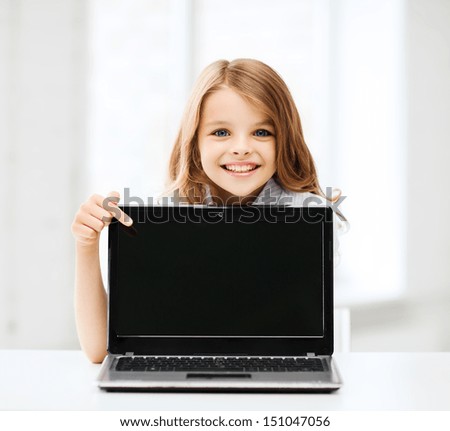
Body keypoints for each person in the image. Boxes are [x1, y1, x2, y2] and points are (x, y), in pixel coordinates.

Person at [71, 58, 346, 363]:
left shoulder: (308, 217)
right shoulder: (163, 218)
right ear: (195, 143)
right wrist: (86, 245)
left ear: (284, 141)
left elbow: (296, 337)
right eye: (221, 133)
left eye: (262, 132)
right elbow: (99, 350)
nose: (241, 147)